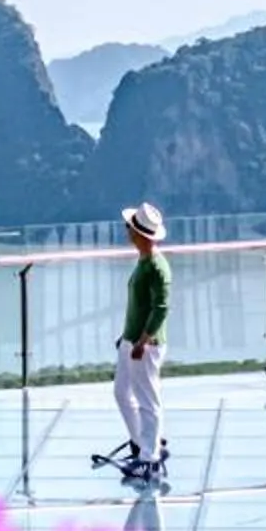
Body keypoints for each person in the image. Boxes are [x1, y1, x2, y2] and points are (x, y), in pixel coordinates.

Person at [114, 203, 170, 483]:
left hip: (144, 345)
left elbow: (161, 308)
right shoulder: (144, 261)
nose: (127, 231)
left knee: (148, 400)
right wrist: (126, 337)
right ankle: (145, 444)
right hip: (131, 340)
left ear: (139, 233)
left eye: (130, 227)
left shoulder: (157, 267)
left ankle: (150, 459)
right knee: (122, 393)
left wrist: (142, 341)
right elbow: (139, 305)